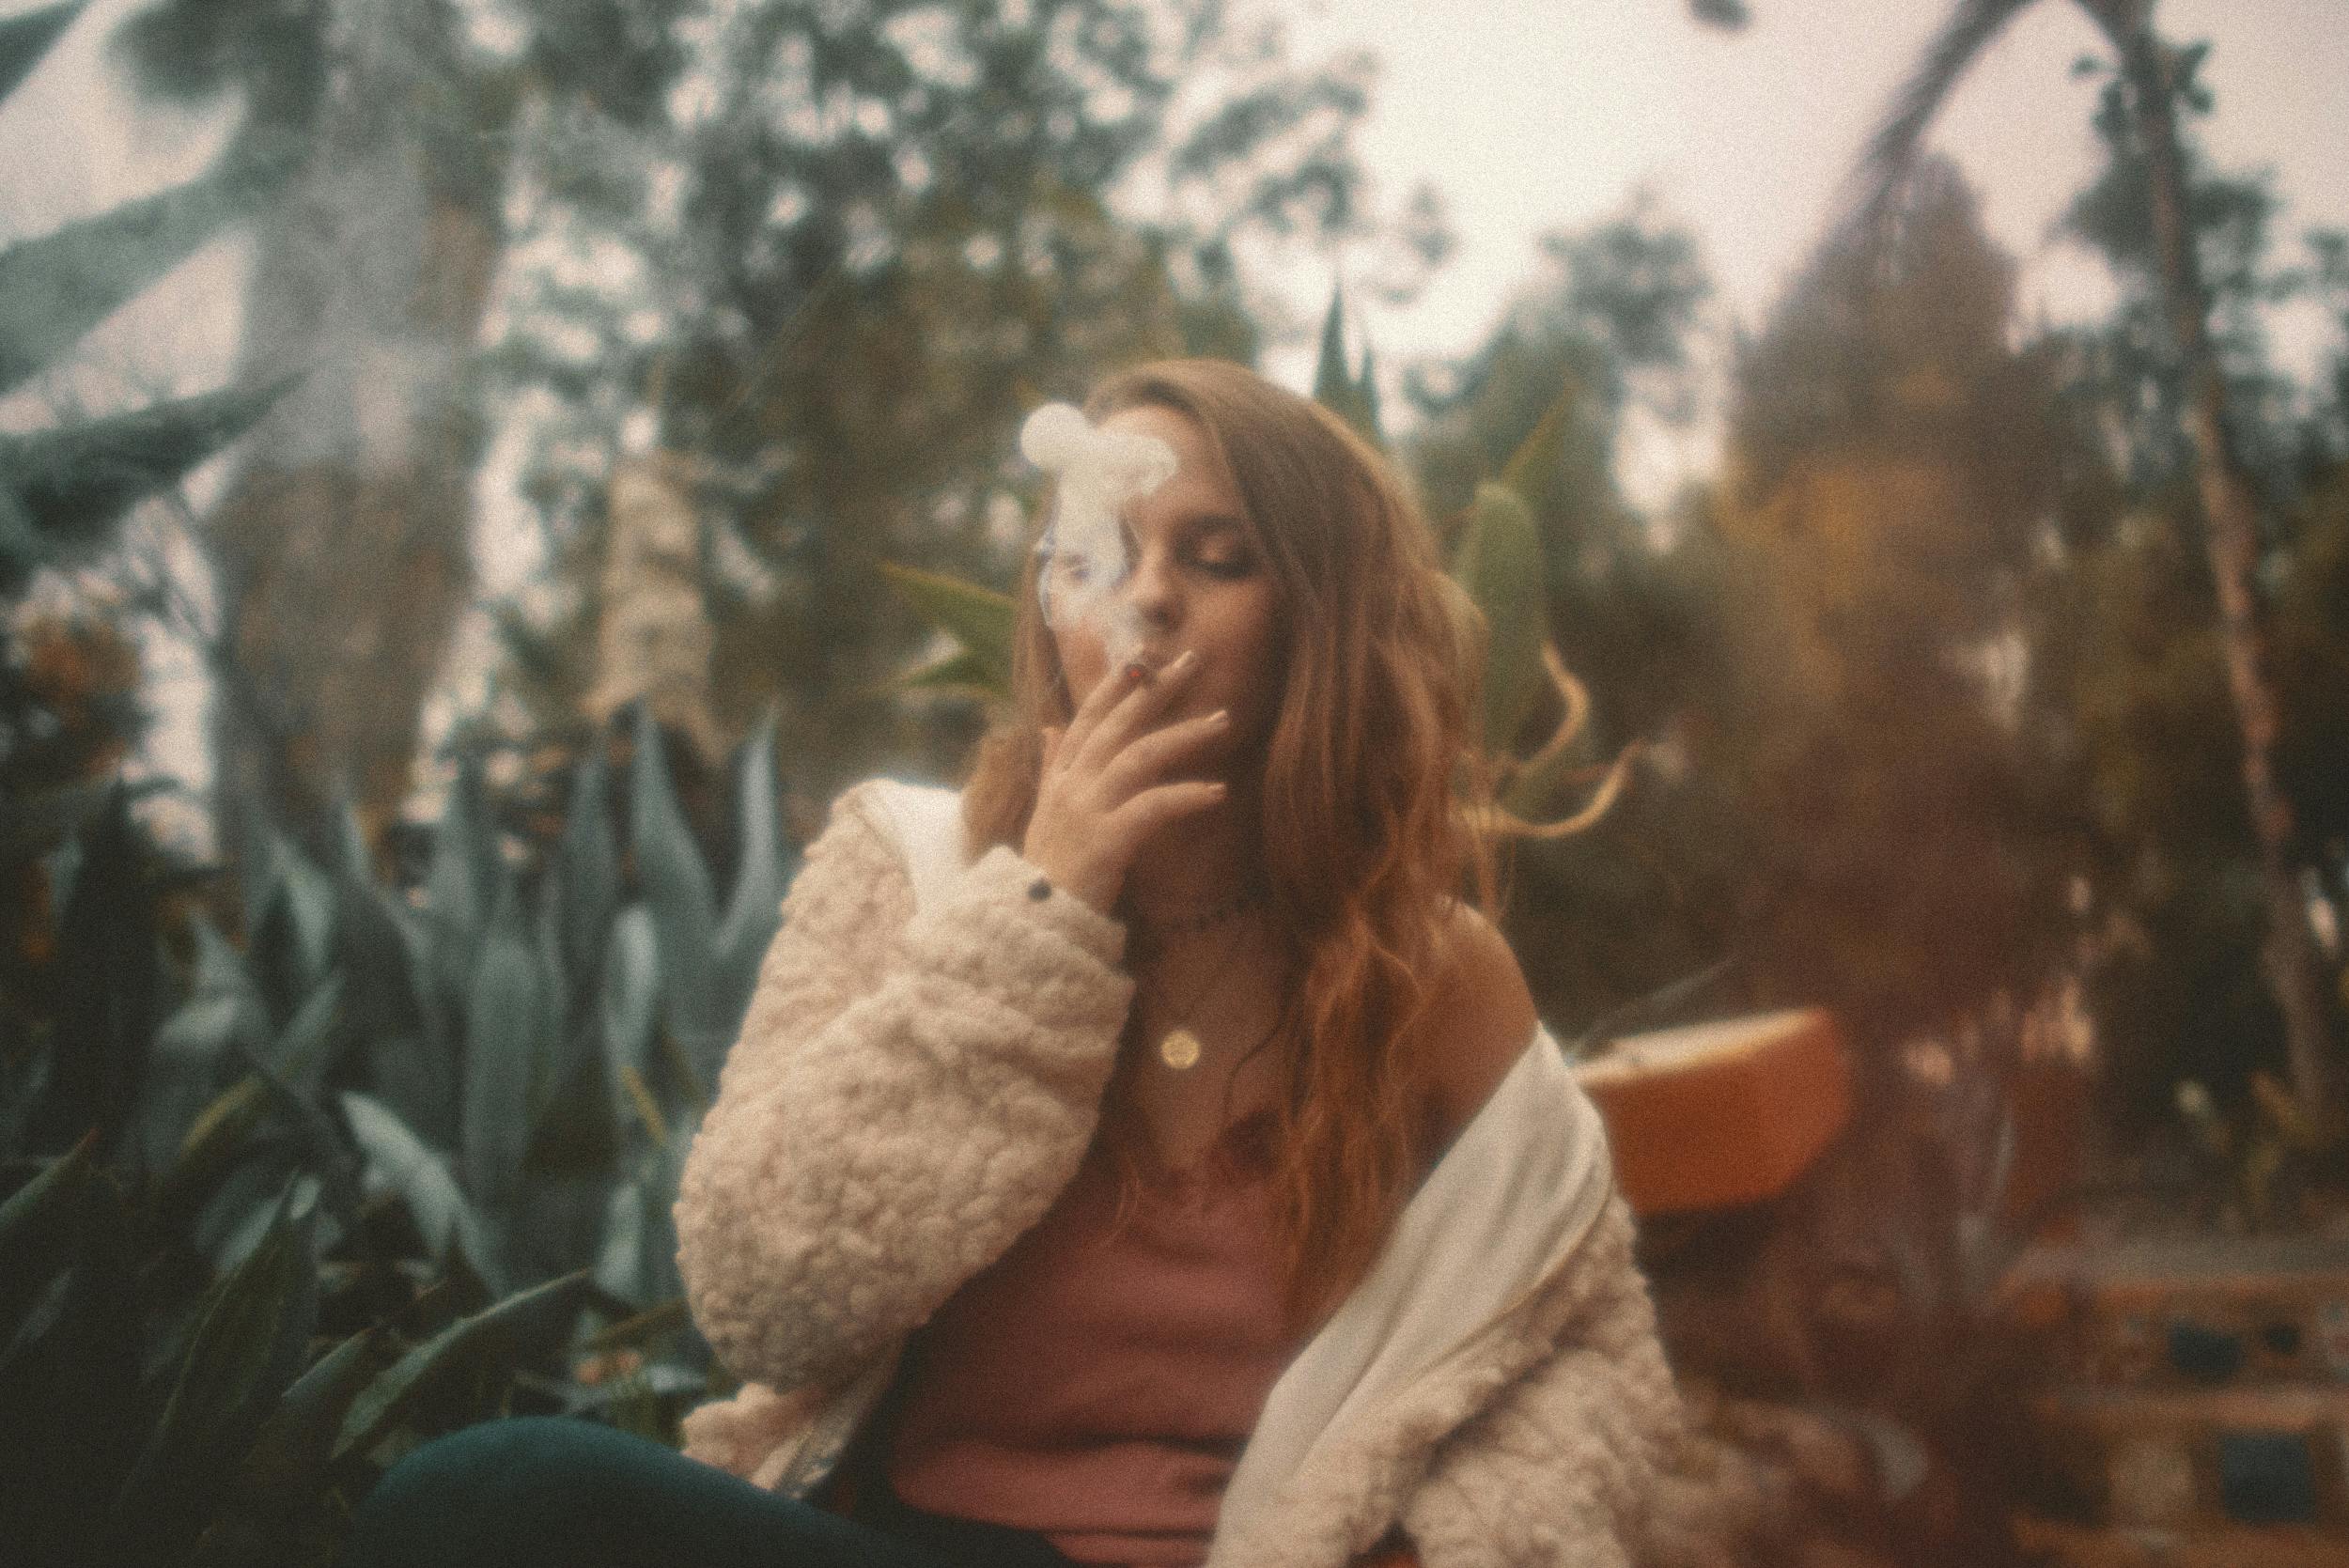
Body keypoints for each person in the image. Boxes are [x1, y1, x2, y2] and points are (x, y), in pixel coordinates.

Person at [342, 360, 1771, 1568]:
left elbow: (1580, 1377)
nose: (1147, 602)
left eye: (1217, 558)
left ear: (1316, 624)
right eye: (1101, 557)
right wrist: (1047, 908)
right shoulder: (910, 866)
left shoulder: (1428, 974)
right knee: (487, 1498)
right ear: (1050, 608)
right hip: (908, 1546)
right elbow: (758, 1291)